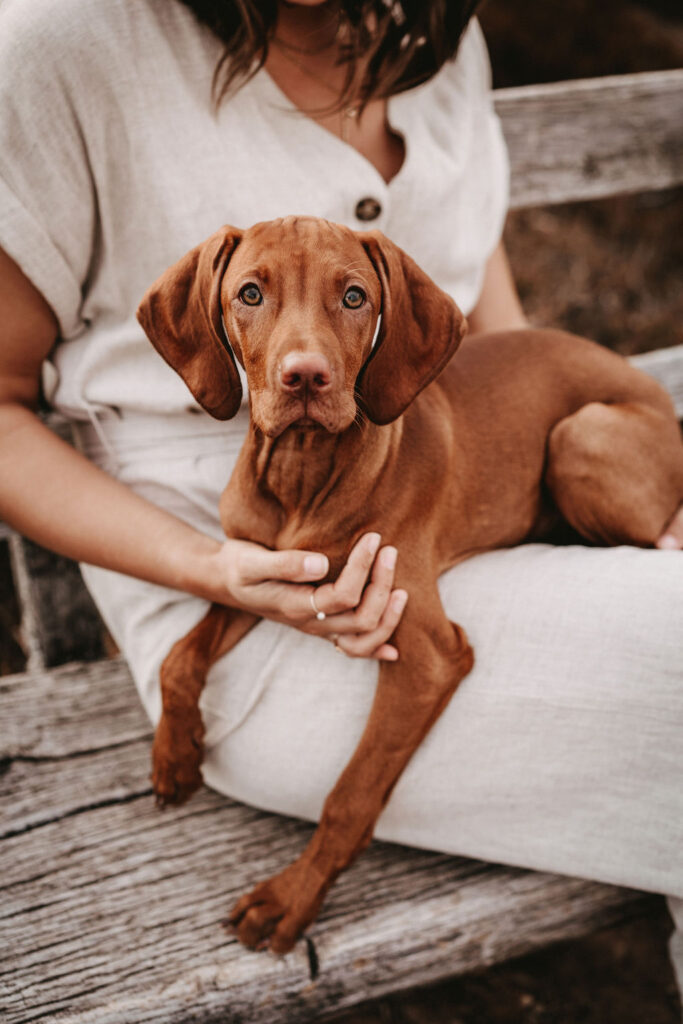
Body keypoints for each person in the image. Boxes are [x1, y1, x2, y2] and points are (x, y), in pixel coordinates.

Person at [1, 0, 682, 998]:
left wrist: (584, 492)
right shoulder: (62, 43)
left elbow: (490, 338)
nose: (306, 353)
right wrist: (207, 577)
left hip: (474, 506)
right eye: (257, 298)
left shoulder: (439, 36)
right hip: (196, 554)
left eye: (345, 303)